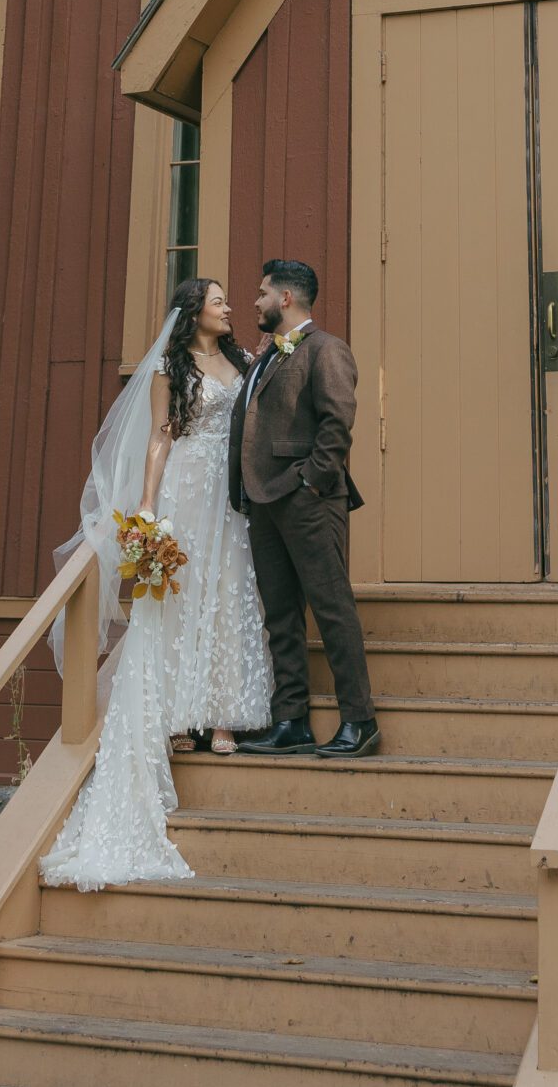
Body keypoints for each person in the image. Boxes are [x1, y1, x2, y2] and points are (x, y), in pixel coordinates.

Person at [40, 276, 273, 890]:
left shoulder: (243, 361)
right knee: (179, 598)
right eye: (220, 300)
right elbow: (160, 437)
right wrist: (147, 508)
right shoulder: (173, 367)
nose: (229, 308)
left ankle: (223, 716)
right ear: (195, 311)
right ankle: (176, 717)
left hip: (232, 492)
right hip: (186, 486)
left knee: (229, 595)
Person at [229, 257, 379, 758]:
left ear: (286, 299)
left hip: (307, 500)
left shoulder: (326, 350)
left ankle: (359, 720)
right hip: (262, 502)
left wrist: (310, 483)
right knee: (280, 614)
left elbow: (337, 425)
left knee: (332, 608)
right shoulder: (266, 355)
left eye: (262, 291)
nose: (255, 301)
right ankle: (290, 719)